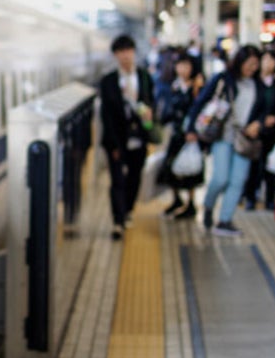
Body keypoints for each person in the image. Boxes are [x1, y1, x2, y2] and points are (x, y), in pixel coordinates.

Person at [185, 45, 264, 237]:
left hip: (245, 138)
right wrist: (190, 128)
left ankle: (225, 220)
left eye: (256, 64)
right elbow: (201, 101)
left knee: (237, 180)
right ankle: (209, 205)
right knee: (220, 178)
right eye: (249, 63)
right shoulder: (223, 79)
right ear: (240, 61)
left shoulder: (258, 84)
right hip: (222, 135)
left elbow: (264, 110)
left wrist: (259, 124)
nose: (252, 68)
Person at [99, 34, 155, 240]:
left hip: (139, 136)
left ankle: (128, 209)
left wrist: (149, 115)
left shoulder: (145, 77)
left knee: (134, 176)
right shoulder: (108, 82)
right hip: (116, 139)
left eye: (128, 51)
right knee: (117, 180)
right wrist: (113, 145)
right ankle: (118, 221)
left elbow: (152, 102)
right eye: (120, 52)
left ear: (133, 52)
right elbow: (106, 115)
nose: (125, 56)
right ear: (115, 55)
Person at [156, 51, 203, 219]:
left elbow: (201, 112)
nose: (183, 69)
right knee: (170, 168)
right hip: (176, 134)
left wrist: (195, 131)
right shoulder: (172, 87)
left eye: (187, 65)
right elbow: (165, 112)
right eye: (180, 65)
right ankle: (176, 199)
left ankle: (190, 203)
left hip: (190, 136)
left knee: (191, 171)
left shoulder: (197, 88)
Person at [242, 48, 275, 211]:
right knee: (253, 167)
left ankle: (270, 199)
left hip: (272, 132)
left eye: (272, 60)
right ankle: (250, 197)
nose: (268, 63)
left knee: (270, 167)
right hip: (254, 131)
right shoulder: (253, 83)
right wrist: (259, 121)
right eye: (265, 59)